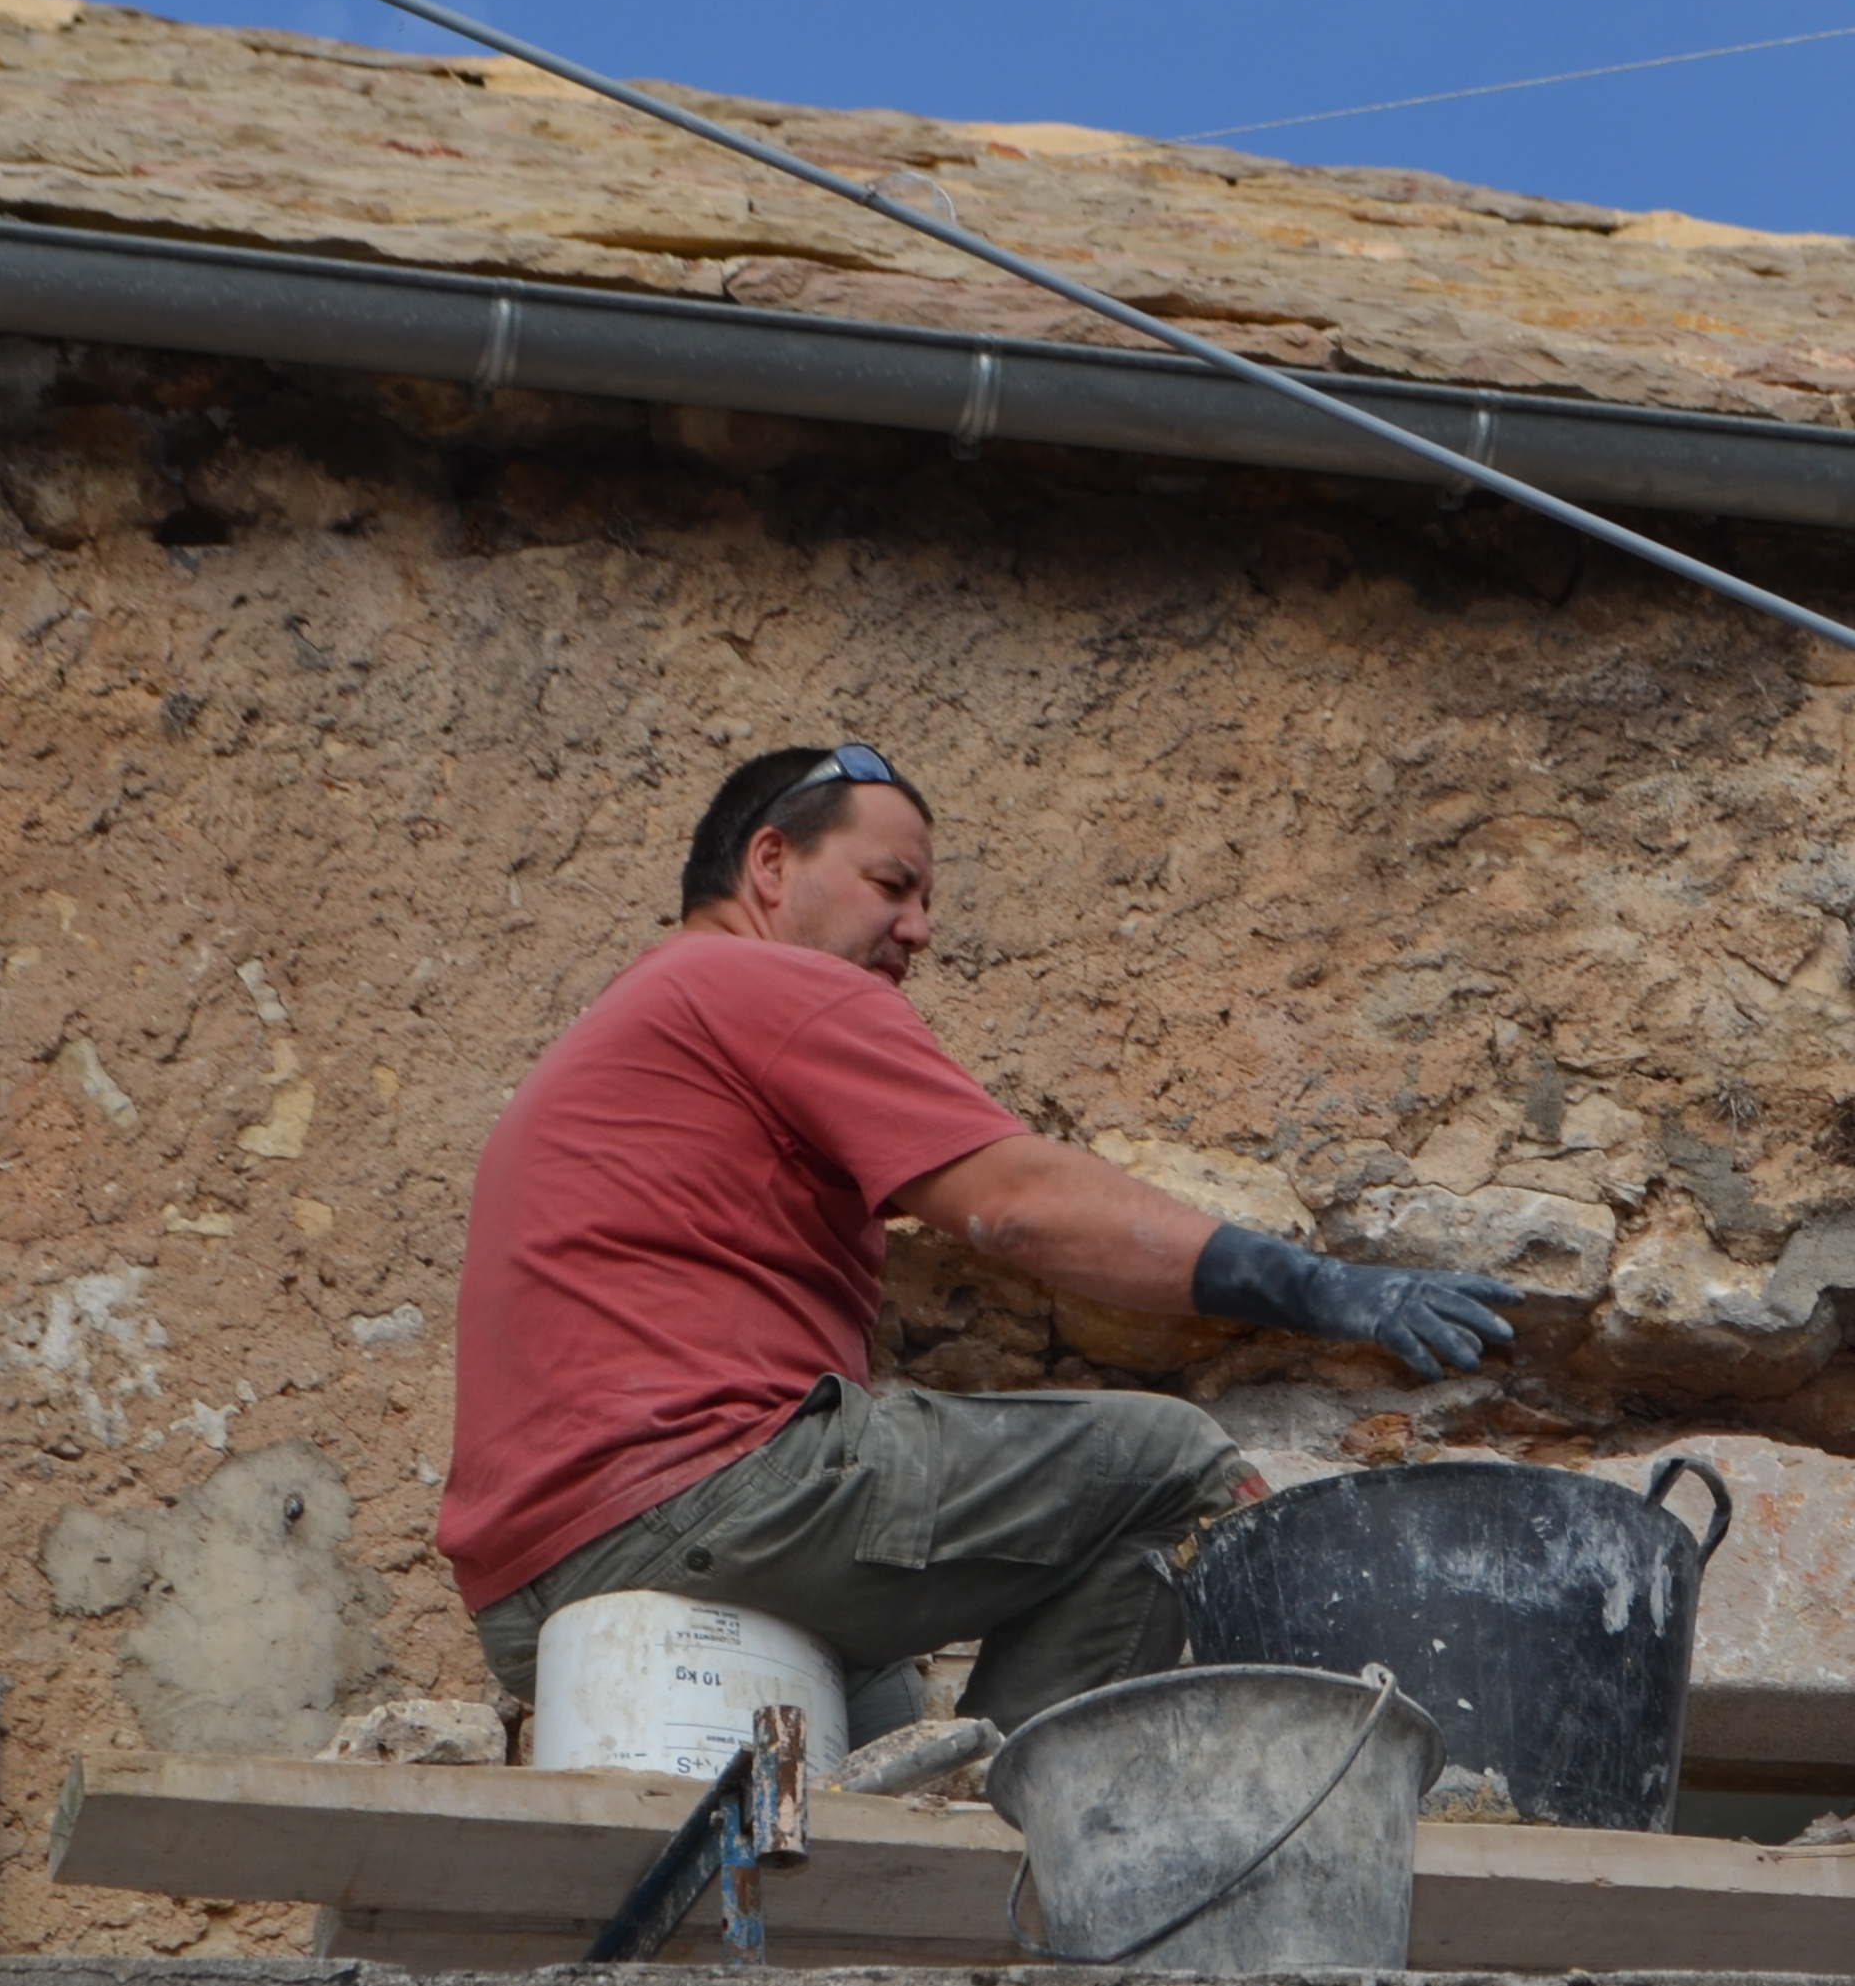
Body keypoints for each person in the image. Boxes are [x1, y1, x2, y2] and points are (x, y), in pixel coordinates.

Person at [443, 741, 1523, 1747]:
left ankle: (947, 1811)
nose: (918, 928)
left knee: (887, 1732)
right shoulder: (760, 983)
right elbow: (1015, 1205)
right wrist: (1316, 1288)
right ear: (770, 864)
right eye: (891, 884)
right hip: (701, 1493)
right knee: (1171, 1473)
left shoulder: (641, 1019)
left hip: (543, 1575)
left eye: (925, 901)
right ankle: (1019, 1828)